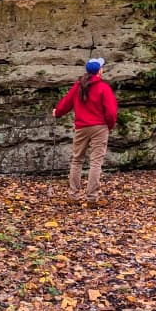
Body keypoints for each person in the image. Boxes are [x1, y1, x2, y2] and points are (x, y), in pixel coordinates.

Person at [53, 57, 118, 204]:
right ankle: (91, 198)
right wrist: (110, 125)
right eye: (102, 67)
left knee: (77, 160)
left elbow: (66, 102)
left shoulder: (78, 86)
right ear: (99, 71)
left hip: (81, 127)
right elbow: (111, 112)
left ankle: (73, 196)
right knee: (95, 162)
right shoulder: (103, 88)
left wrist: (57, 112)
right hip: (99, 127)